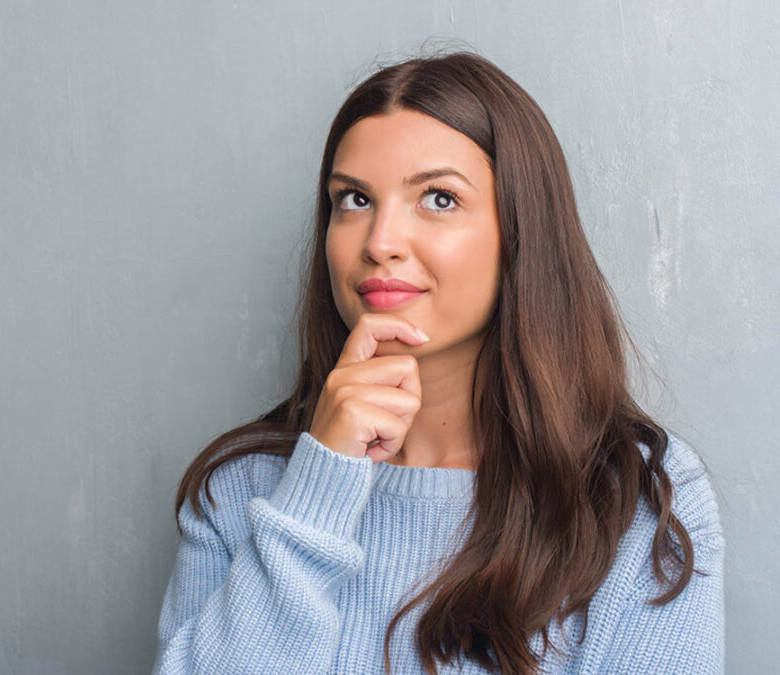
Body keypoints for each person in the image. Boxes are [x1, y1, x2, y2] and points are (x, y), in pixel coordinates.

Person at [152, 50, 724, 674]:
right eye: (354, 200)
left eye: (440, 199)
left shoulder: (636, 499)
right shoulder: (239, 489)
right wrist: (317, 493)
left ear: (521, 232)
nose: (380, 243)